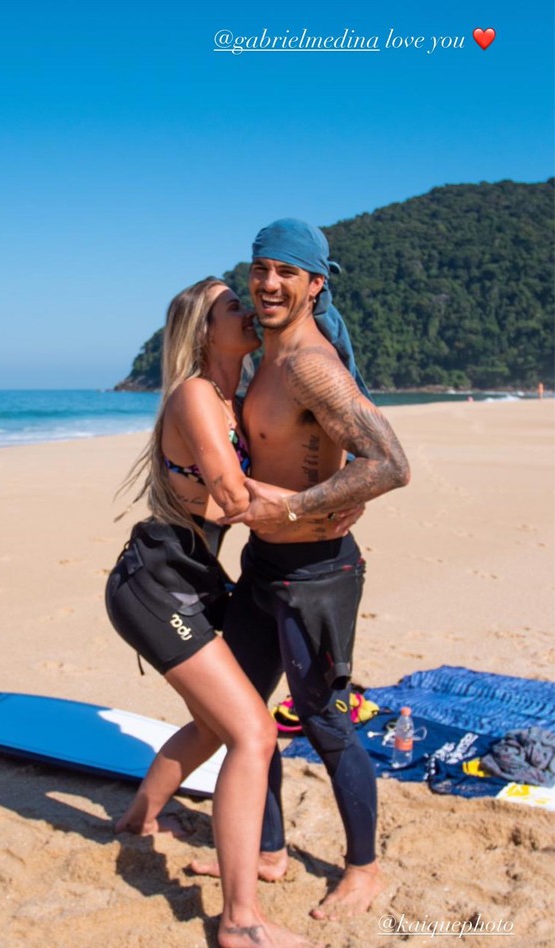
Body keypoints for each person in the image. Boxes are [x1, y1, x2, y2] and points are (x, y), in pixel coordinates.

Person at [105, 277, 354, 948]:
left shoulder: (234, 401)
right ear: (204, 331)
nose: (248, 309)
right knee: (253, 733)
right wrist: (331, 501)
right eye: (231, 306)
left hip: (190, 578)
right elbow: (232, 492)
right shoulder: (194, 396)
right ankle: (240, 922)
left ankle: (138, 820)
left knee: (220, 724)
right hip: (155, 582)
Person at [197, 219, 411, 921]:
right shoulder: (265, 355)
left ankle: (363, 868)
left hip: (318, 574)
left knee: (325, 721)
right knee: (244, 715)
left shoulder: (311, 366)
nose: (268, 283)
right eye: (261, 269)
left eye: (287, 272)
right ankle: (268, 850)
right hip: (264, 566)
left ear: (315, 284)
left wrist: (298, 510)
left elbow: (391, 465)